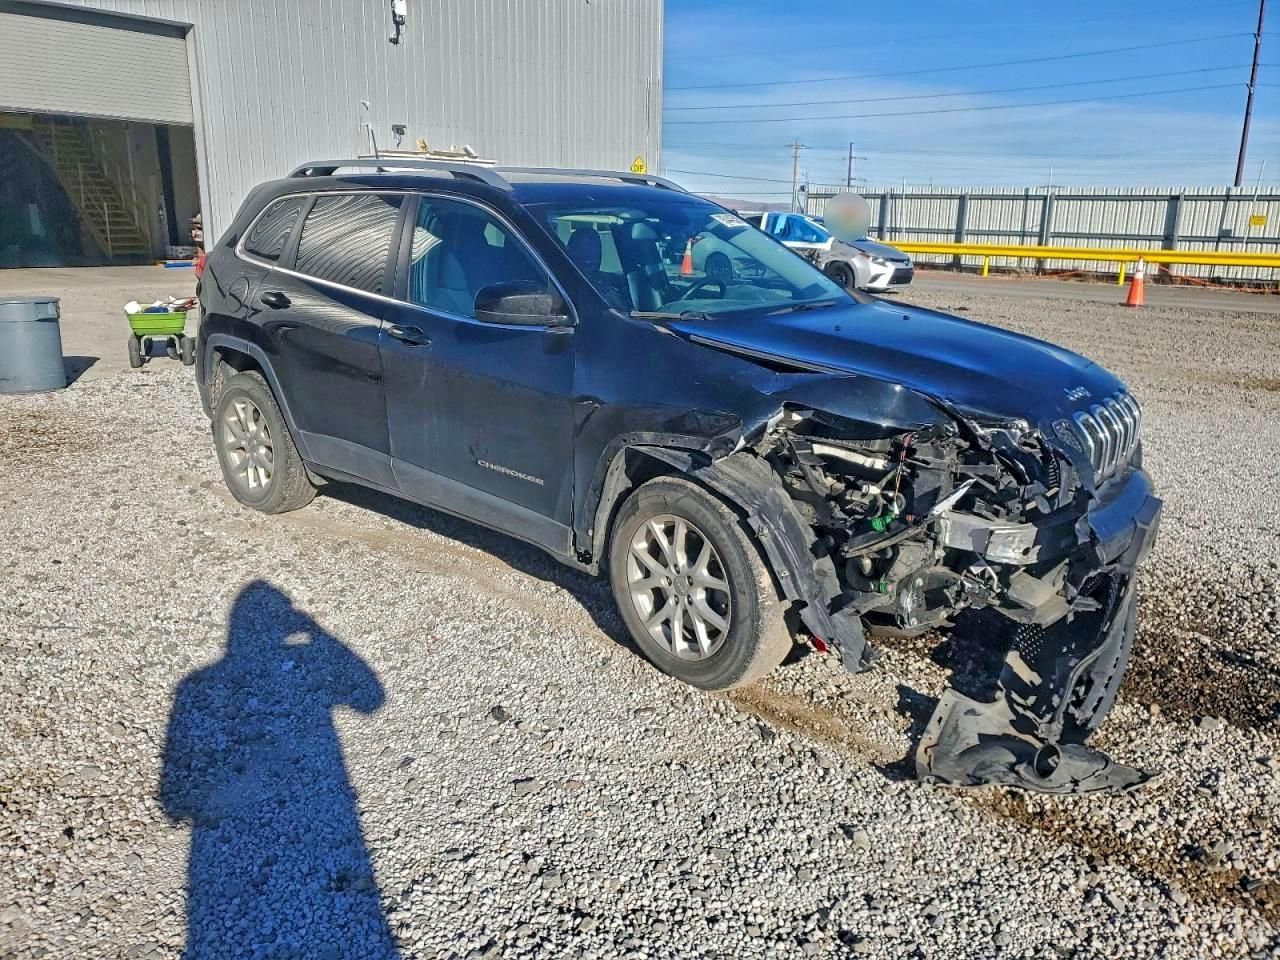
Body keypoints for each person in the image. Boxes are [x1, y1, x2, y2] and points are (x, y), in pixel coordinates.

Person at [160, 581, 397, 959]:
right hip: (324, 810)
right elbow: (371, 698)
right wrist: (319, 633)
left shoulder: (195, 684)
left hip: (215, 856)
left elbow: (172, 802)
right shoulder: (197, 684)